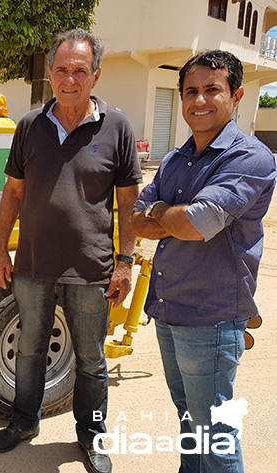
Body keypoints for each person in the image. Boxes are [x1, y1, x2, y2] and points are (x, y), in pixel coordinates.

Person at [0, 28, 142, 473]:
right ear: (50, 74)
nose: (69, 79)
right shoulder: (30, 126)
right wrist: (1, 250)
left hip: (92, 269)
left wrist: (125, 261)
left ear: (95, 75)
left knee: (92, 359)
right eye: (61, 70)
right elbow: (13, 193)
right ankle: (23, 423)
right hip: (34, 265)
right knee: (31, 349)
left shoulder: (118, 127)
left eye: (79, 70)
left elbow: (129, 201)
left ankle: (92, 437)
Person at [132, 50, 276, 473]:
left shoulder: (249, 157)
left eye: (212, 89)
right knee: (190, 421)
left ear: (236, 95)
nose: (200, 100)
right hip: (169, 309)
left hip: (210, 317)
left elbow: (198, 223)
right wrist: (164, 215)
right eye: (191, 91)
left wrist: (161, 212)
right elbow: (137, 219)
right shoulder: (176, 159)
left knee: (214, 433)